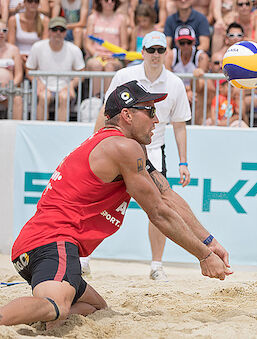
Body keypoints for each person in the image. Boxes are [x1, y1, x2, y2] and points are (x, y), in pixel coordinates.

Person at [0, 80, 231, 329]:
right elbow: (158, 213)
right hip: (52, 241)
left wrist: (210, 242)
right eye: (150, 111)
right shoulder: (124, 148)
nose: (156, 120)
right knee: (56, 306)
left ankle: (39, 320)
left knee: (96, 308)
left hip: (42, 244)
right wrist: (203, 255)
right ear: (127, 115)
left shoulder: (118, 144)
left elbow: (167, 197)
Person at [92, 31, 192, 280]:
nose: (156, 55)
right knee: (99, 200)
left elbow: (179, 126)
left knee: (162, 206)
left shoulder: (175, 83)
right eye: (151, 50)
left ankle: (156, 265)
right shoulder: (125, 76)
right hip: (118, 146)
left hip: (154, 150)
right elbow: (106, 112)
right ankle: (83, 258)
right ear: (143, 52)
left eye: (160, 50)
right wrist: (95, 142)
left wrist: (183, 162)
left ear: (167, 53)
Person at [26, 17, 84, 121]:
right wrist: (38, 83)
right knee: (44, 97)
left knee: (64, 97)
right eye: (54, 29)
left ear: (65, 33)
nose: (58, 33)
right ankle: (40, 129)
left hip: (64, 86)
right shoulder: (37, 47)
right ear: (48, 31)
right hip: (44, 86)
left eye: (61, 30)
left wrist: (71, 85)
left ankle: (61, 132)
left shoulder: (74, 49)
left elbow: (81, 74)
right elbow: (29, 70)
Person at [84, 0, 128, 96]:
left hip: (114, 57)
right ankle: (96, 99)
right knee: (96, 65)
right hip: (95, 55)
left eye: (113, 0)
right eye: (106, 0)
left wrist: (113, 56)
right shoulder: (92, 18)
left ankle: (107, 100)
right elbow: (88, 43)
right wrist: (97, 54)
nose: (110, 2)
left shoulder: (121, 19)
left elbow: (124, 45)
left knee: (110, 66)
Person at [166, 24, 208, 104]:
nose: (185, 46)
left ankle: (199, 116)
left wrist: (189, 90)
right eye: (182, 43)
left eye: (188, 42)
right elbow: (168, 81)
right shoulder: (171, 56)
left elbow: (201, 86)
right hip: (176, 90)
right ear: (176, 43)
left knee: (203, 90)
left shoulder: (201, 57)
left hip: (195, 92)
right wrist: (185, 91)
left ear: (194, 42)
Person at [7, 0, 49, 65]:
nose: (33, 3)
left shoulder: (45, 20)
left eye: (36, 1)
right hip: (18, 55)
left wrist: (32, 57)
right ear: (24, 3)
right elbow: (11, 44)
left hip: (37, 56)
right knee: (19, 63)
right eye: (30, 1)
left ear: (38, 4)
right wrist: (19, 56)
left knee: (29, 66)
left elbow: (44, 44)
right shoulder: (13, 20)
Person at [0, 21, 24, 120]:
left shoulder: (14, 50)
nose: (1, 33)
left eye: (4, 30)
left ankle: (16, 132)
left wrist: (11, 86)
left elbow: (19, 74)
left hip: (8, 90)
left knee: (17, 100)